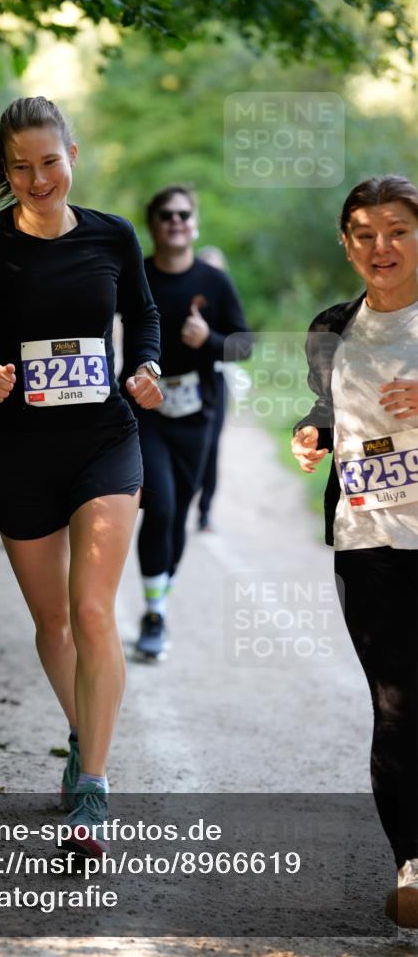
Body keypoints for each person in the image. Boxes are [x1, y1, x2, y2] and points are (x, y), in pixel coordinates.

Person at [0, 96, 162, 857]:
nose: (38, 180)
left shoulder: (113, 235)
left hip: (105, 440)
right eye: (21, 167)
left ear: (73, 156)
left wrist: (145, 366)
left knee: (91, 611)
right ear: (6, 170)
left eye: (50, 162)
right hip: (25, 451)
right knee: (54, 624)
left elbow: (144, 315)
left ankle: (91, 789)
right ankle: (84, 731)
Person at [291, 175, 418, 928]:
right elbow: (327, 407)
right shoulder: (332, 328)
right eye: (364, 234)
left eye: (397, 230)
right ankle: (412, 865)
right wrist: (311, 433)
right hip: (369, 538)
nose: (381, 246)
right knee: (395, 703)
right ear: (346, 246)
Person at [122, 185, 252, 658]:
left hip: (197, 415)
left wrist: (209, 339)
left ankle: (159, 596)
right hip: (145, 411)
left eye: (183, 214)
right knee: (159, 506)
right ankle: (155, 615)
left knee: (178, 514)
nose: (175, 221)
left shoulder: (214, 282)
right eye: (166, 214)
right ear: (153, 225)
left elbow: (244, 344)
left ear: (194, 224)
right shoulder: (134, 277)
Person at [194, 245, 230, 532]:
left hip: (216, 381)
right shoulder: (187, 300)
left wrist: (209, 338)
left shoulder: (227, 302)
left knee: (211, 446)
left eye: (217, 270)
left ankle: (205, 512)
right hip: (187, 381)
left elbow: (239, 343)